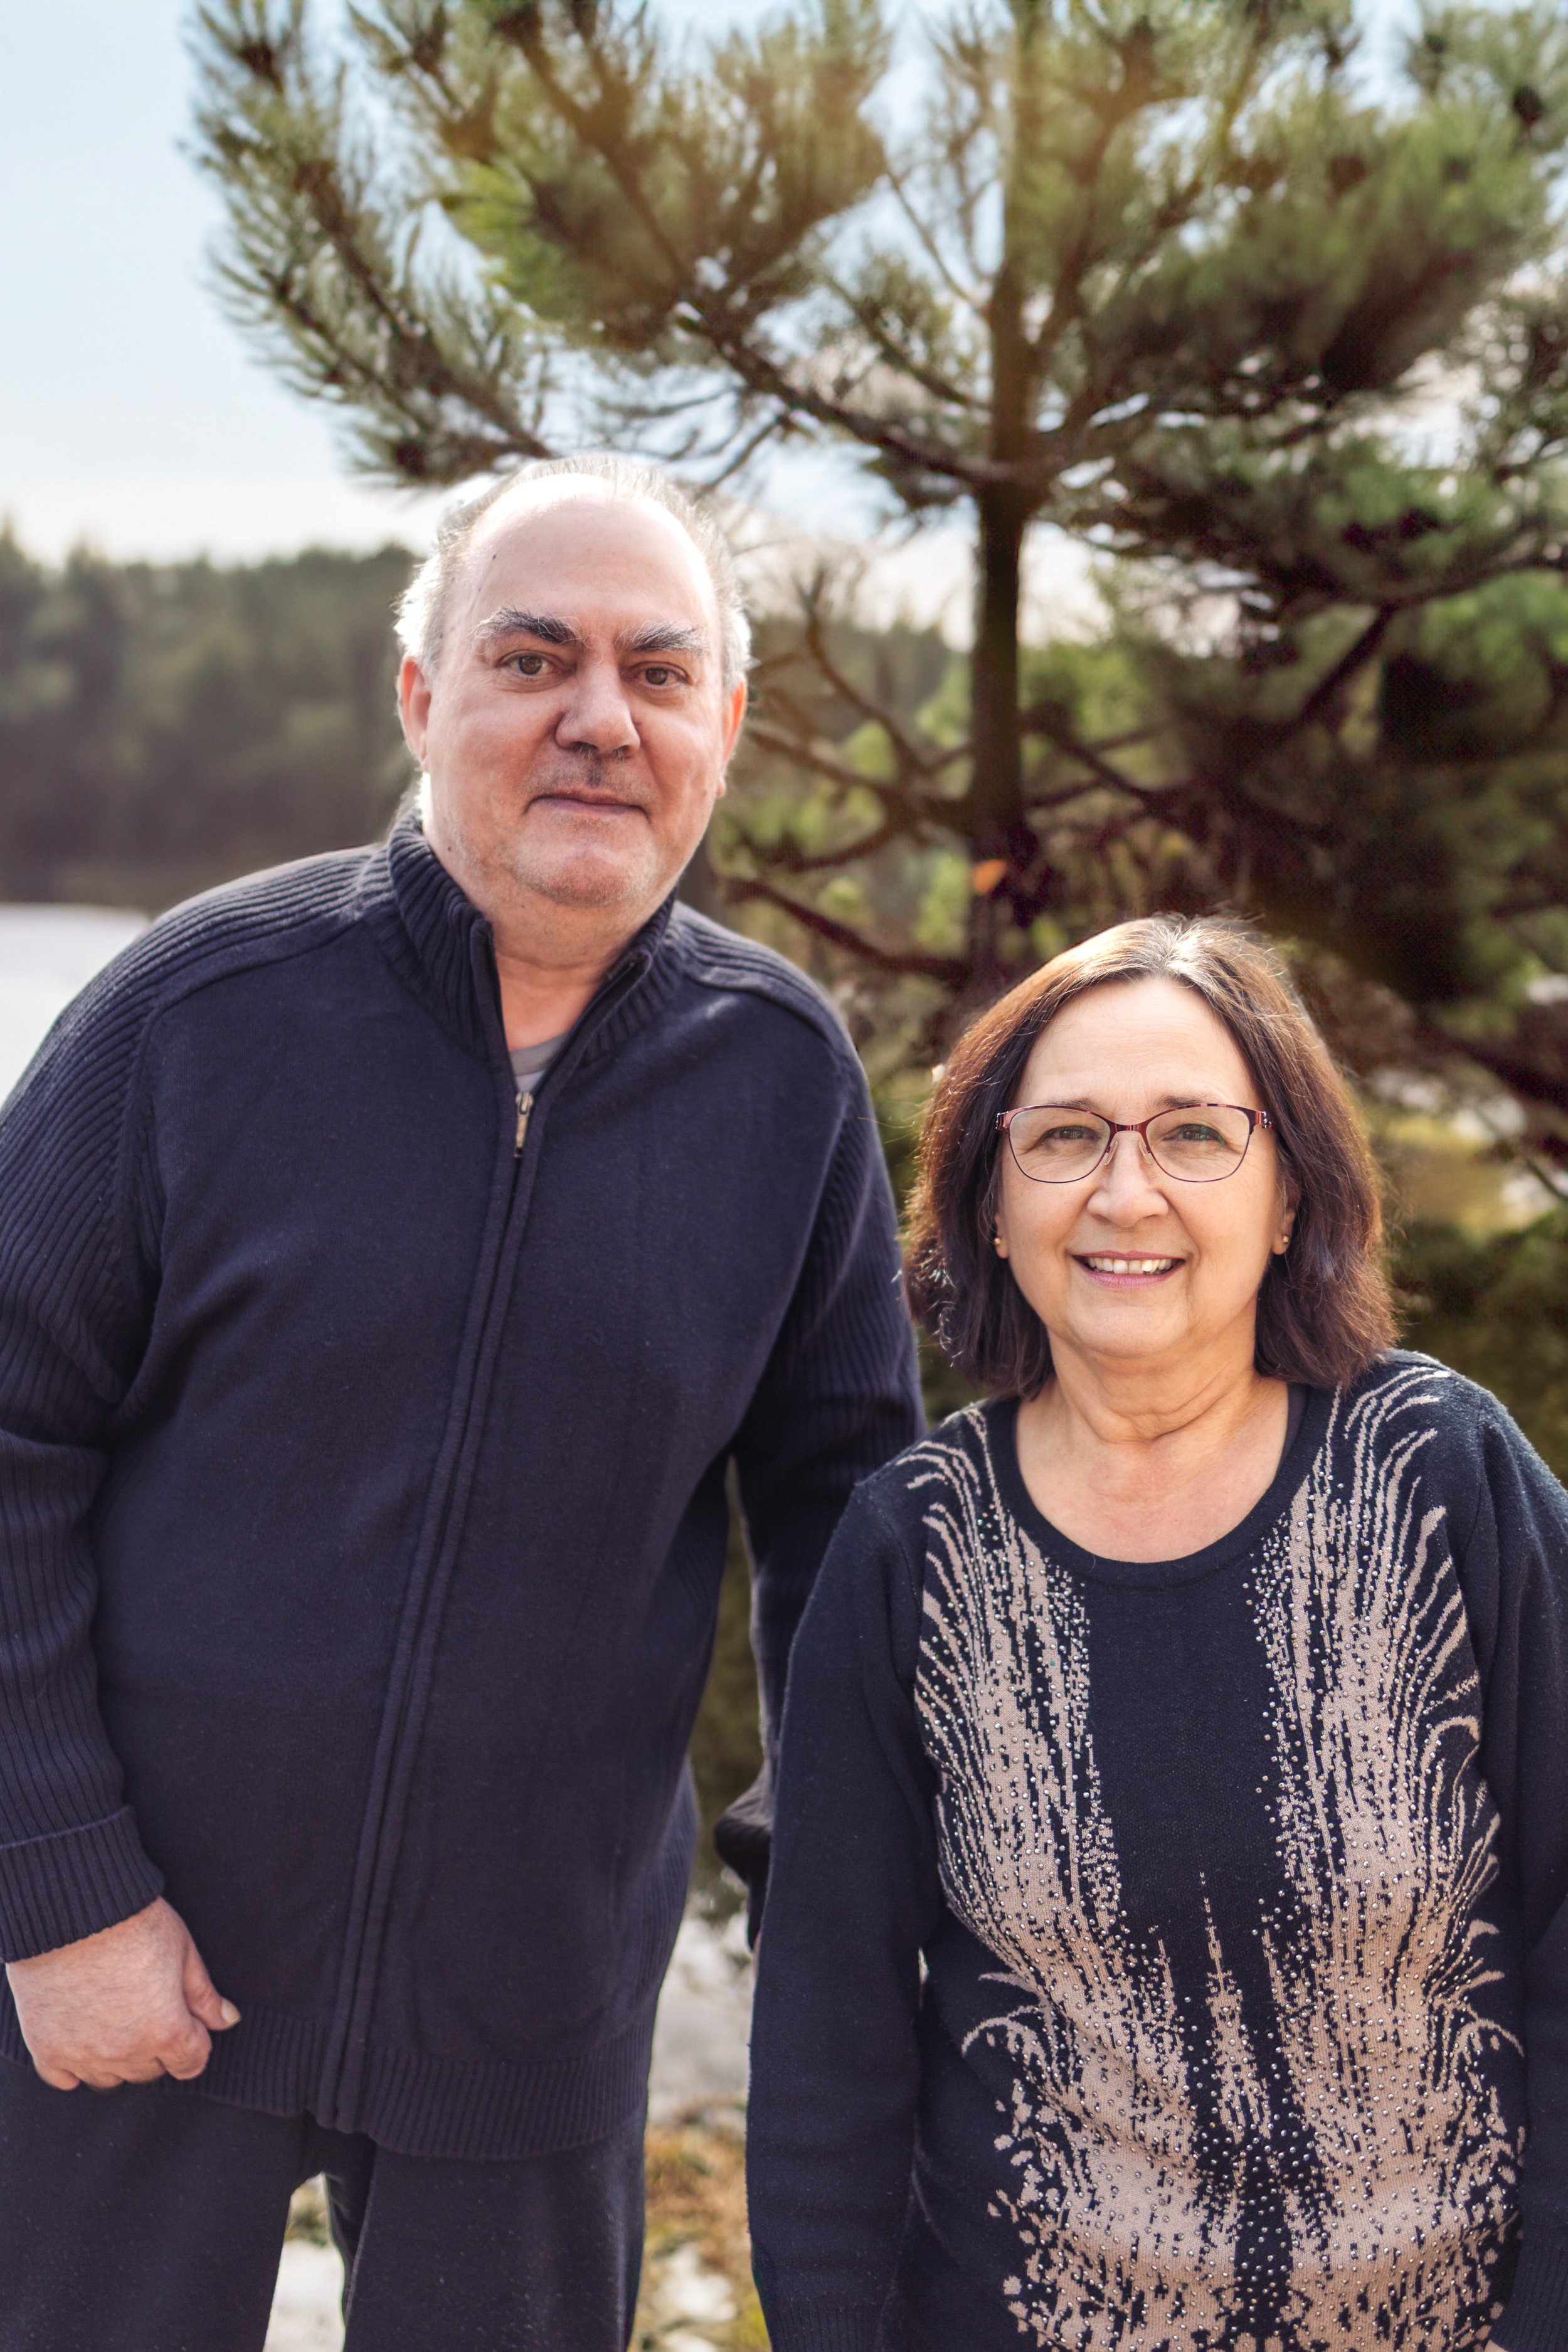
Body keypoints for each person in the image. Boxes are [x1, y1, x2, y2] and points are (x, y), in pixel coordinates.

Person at [0, 452, 922, 2351]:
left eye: (660, 675)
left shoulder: (781, 1080)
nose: (601, 718)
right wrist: (58, 1883)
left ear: (722, 730)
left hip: (536, 2022)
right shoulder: (194, 1009)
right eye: (534, 656)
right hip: (131, 1979)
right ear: (421, 696)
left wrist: (835, 1880)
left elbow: (850, 1511)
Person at [746, 914, 1568, 2352]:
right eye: (1061, 1138)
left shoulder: (1440, 1474)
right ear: (989, 1204)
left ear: (1292, 1197)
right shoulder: (913, 1548)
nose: (1125, 1193)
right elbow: (828, 2047)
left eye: (1193, 1135)